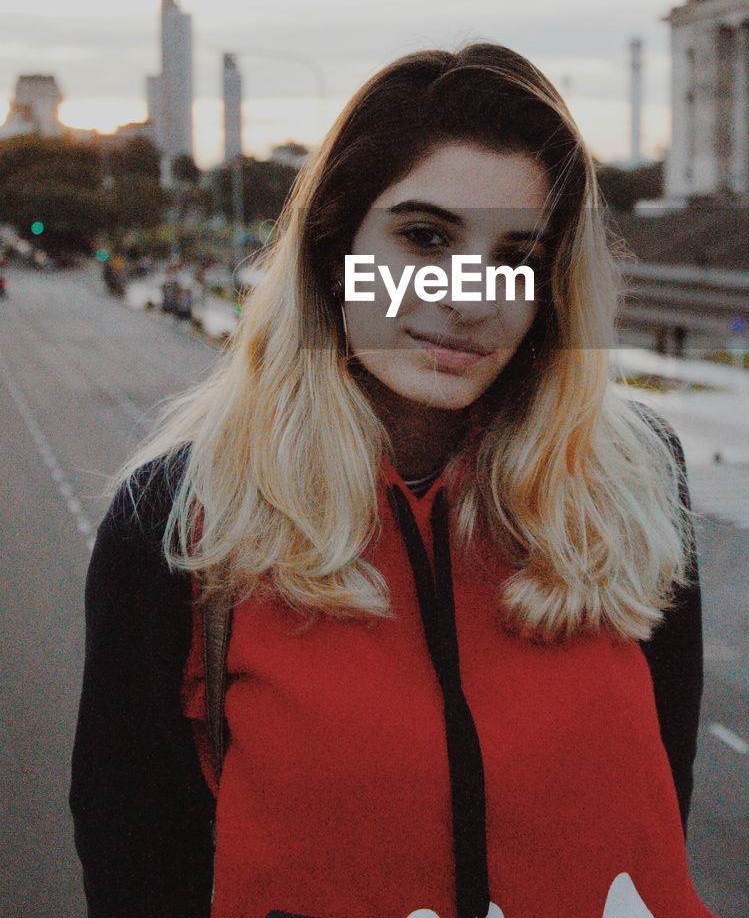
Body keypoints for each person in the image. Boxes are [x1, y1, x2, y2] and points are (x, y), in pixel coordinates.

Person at [70, 44, 715, 918]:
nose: (472, 295)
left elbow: (657, 816)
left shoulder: (634, 477)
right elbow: (138, 858)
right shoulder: (180, 517)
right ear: (336, 247)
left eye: (520, 256)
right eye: (424, 237)